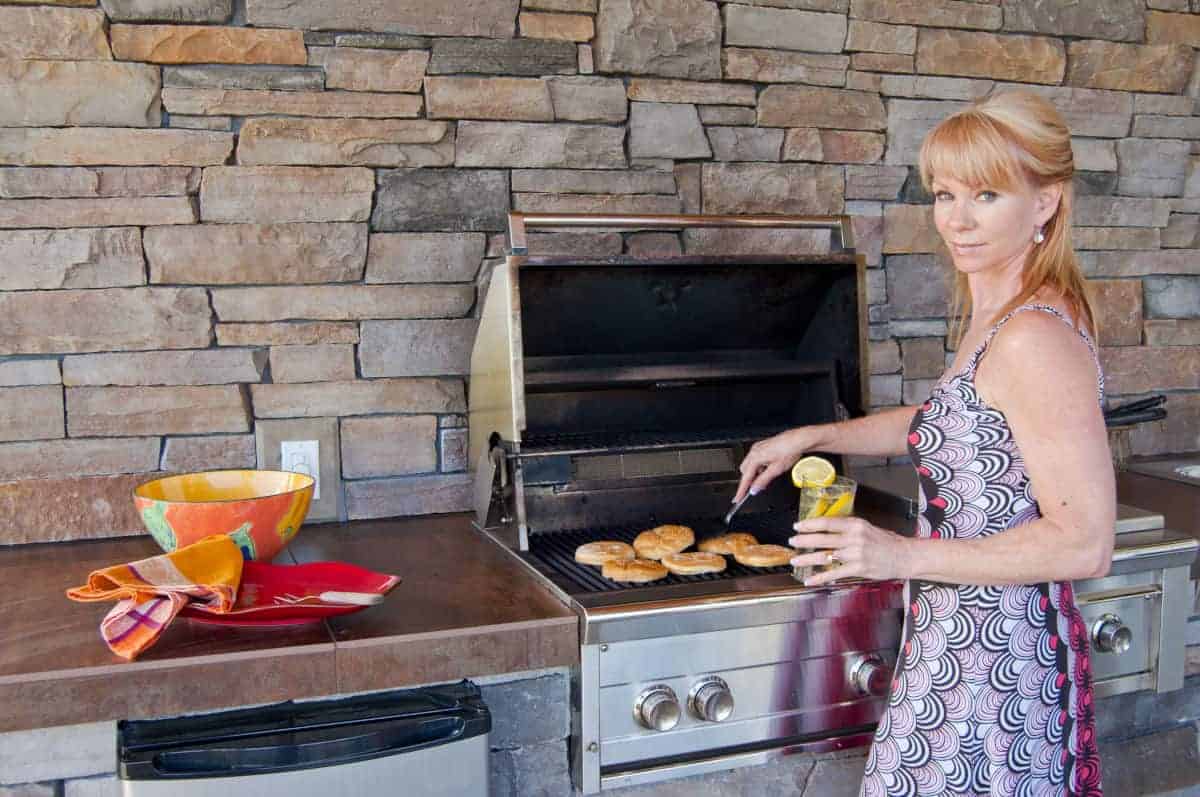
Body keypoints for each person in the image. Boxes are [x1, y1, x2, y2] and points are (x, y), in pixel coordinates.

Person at [734, 90, 1112, 796]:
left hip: (1002, 667)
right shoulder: (1001, 310)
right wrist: (815, 433)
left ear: (1046, 203)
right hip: (954, 643)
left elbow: (1086, 540)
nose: (957, 220)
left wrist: (898, 553)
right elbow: (949, 417)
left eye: (987, 194)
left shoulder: (1034, 335)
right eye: (944, 194)